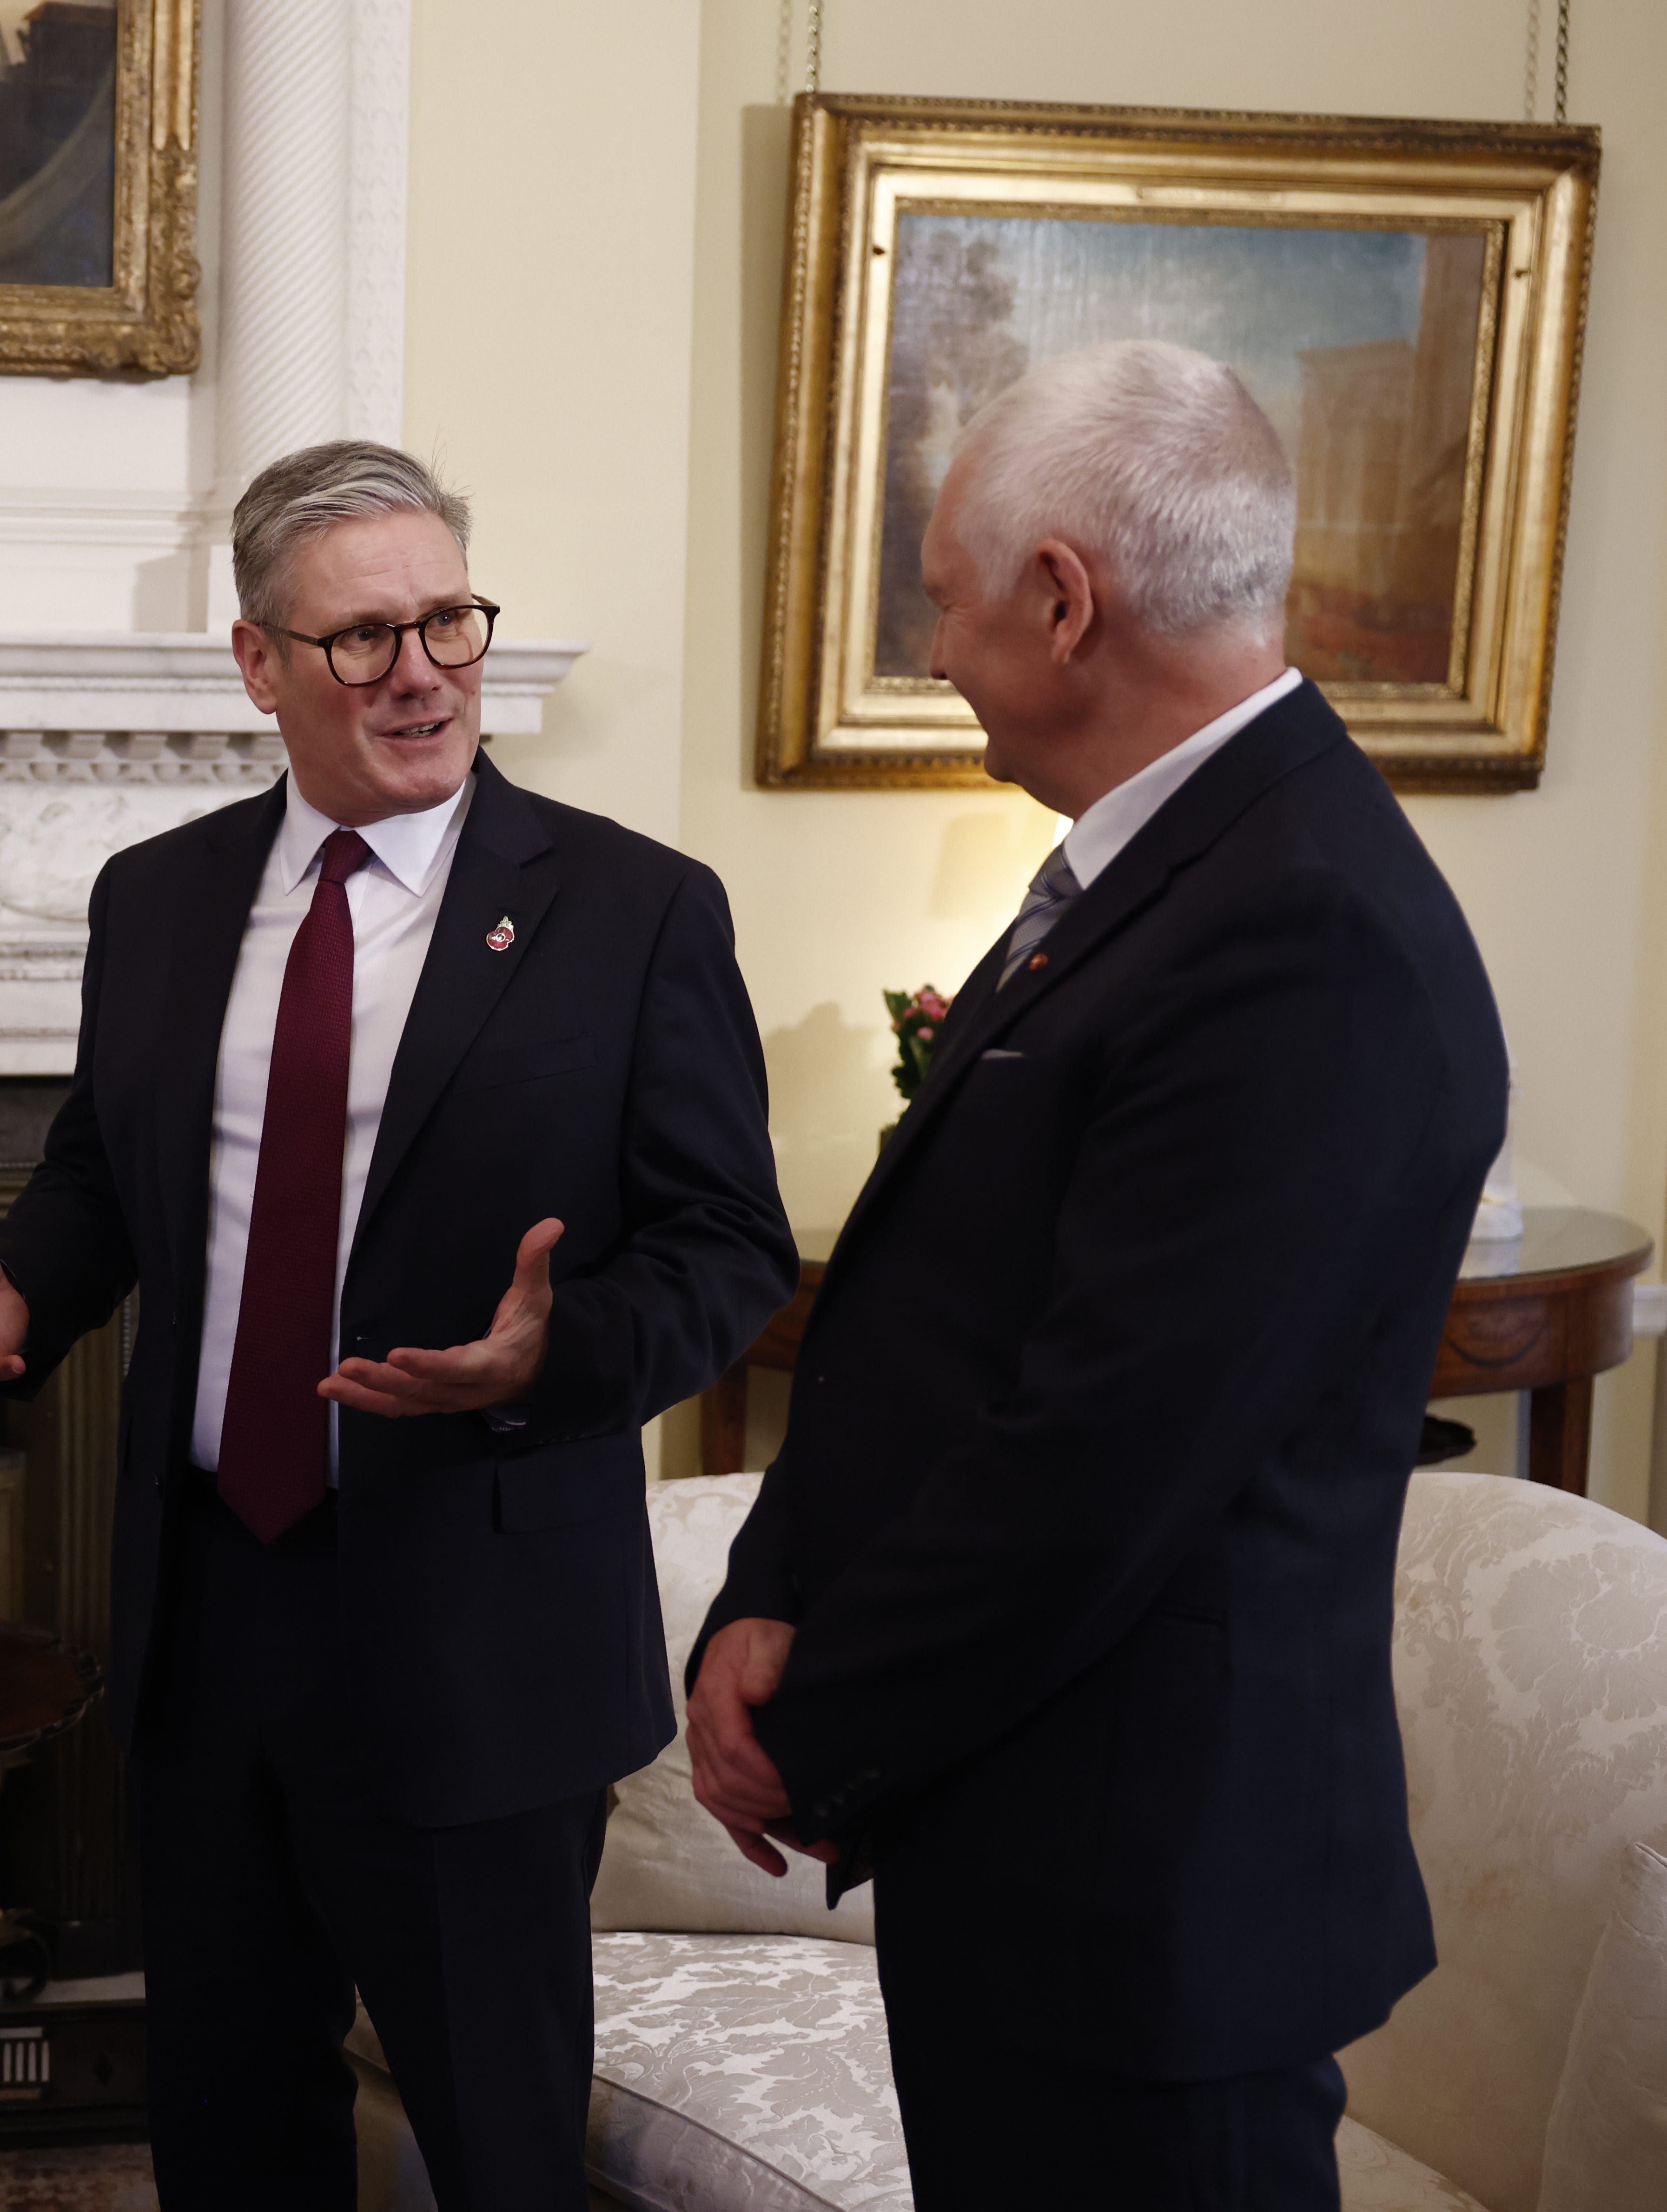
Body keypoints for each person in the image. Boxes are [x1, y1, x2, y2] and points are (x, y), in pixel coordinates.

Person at [0, 441, 797, 2208]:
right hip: (212, 1614)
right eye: (363, 636)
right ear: (258, 664)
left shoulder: (630, 910)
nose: (422, 673)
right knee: (230, 2128)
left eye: (448, 620)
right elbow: (110, 1176)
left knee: (496, 2146)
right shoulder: (156, 900)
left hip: (476, 1620)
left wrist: (555, 1360)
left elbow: (725, 1246)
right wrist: (25, 1281)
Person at [686, 341, 1505, 2209]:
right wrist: (767, 1587)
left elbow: (1102, 1447)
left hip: (1151, 1898)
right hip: (1035, 1849)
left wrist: (814, 1719)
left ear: (1066, 599)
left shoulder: (1307, 927)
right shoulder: (1167, 870)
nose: (941, 648)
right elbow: (936, 1315)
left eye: (949, 602)